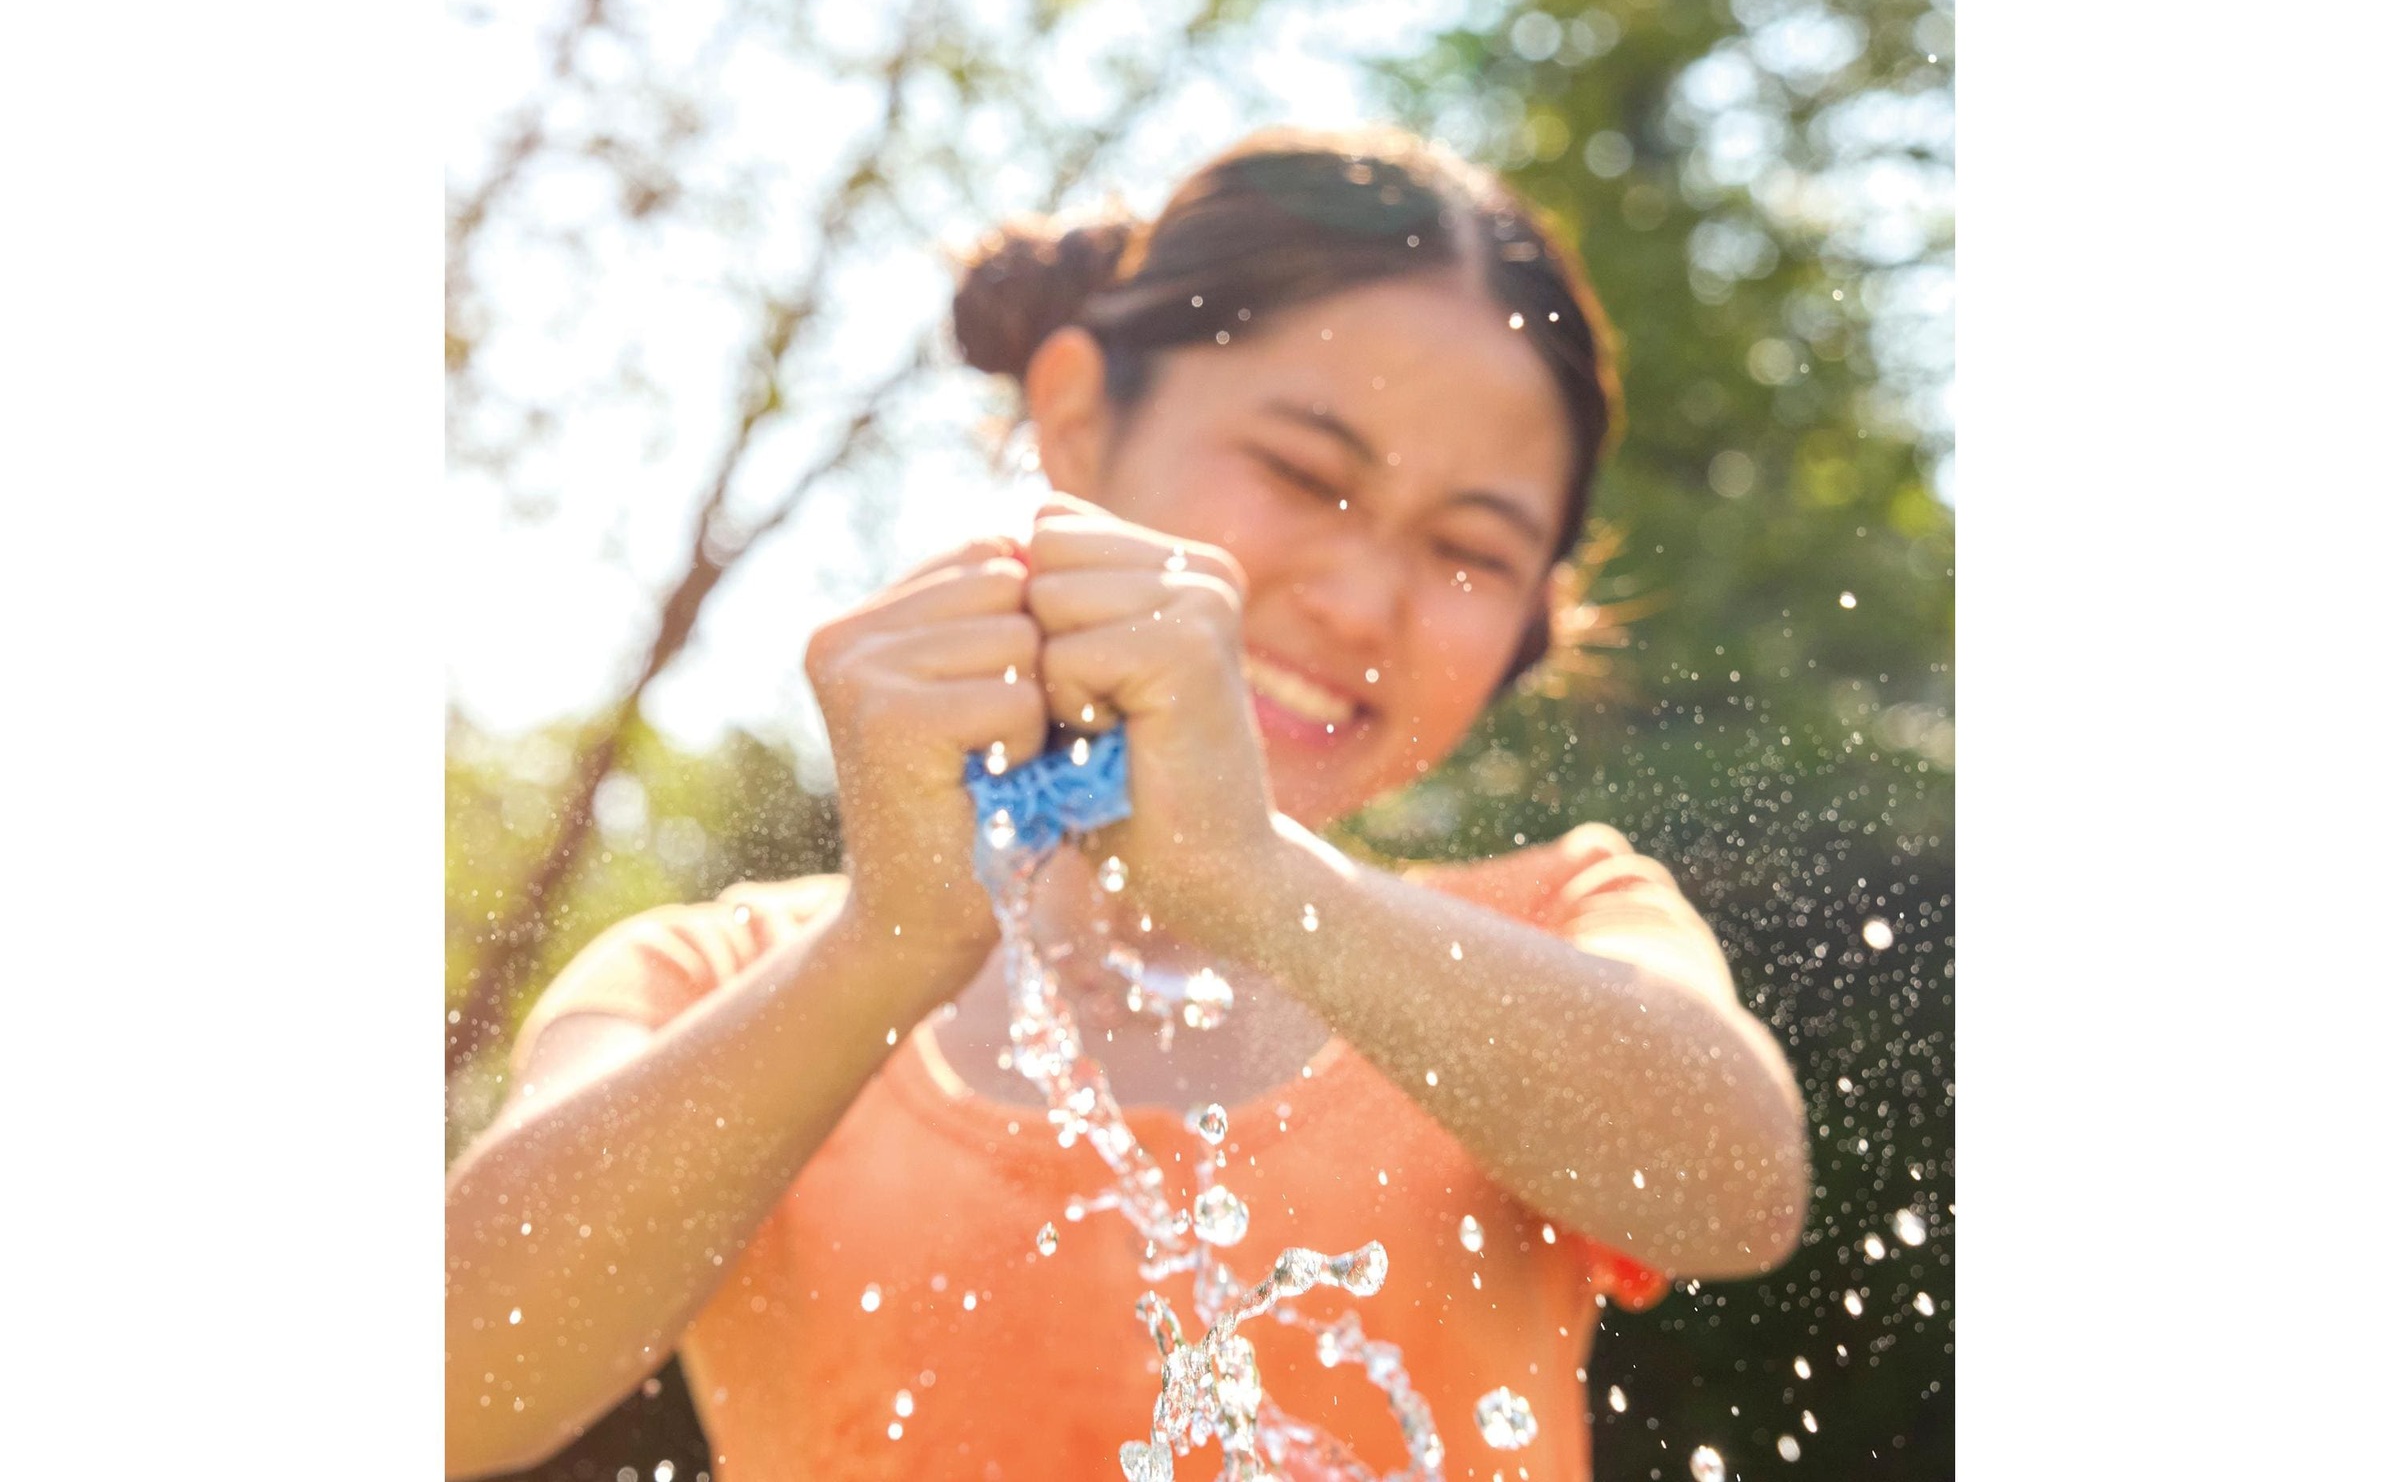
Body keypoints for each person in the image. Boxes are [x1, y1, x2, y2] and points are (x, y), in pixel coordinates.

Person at [444, 126, 1809, 1482]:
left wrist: (1262, 889)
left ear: (1532, 619)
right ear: (1080, 417)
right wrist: (888, 949)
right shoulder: (728, 980)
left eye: (1469, 549)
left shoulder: (1562, 924)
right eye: (1302, 471)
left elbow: (1740, 1188)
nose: (1358, 596)